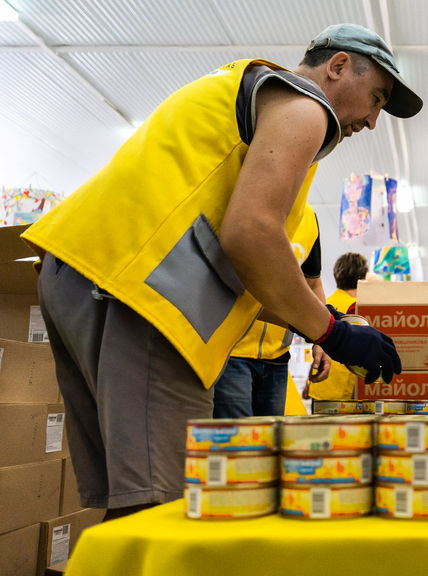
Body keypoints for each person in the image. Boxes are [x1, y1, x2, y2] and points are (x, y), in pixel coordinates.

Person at [21, 23, 420, 520]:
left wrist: (322, 325)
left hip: (86, 275)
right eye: (376, 98)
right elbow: (250, 234)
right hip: (140, 300)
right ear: (338, 66)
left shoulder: (243, 90)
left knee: (134, 505)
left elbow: (240, 267)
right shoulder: (305, 107)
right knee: (169, 507)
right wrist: (331, 332)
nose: (374, 120)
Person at [214, 203, 329, 417]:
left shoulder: (308, 218)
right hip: (231, 353)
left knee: (270, 436)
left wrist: (322, 339)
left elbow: (313, 283)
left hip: (277, 358)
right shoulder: (242, 204)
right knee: (239, 436)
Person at [304, 252, 369, 401]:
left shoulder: (326, 302)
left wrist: (308, 383)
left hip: (319, 385)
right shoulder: (356, 308)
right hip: (342, 391)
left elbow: (318, 344)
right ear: (363, 276)